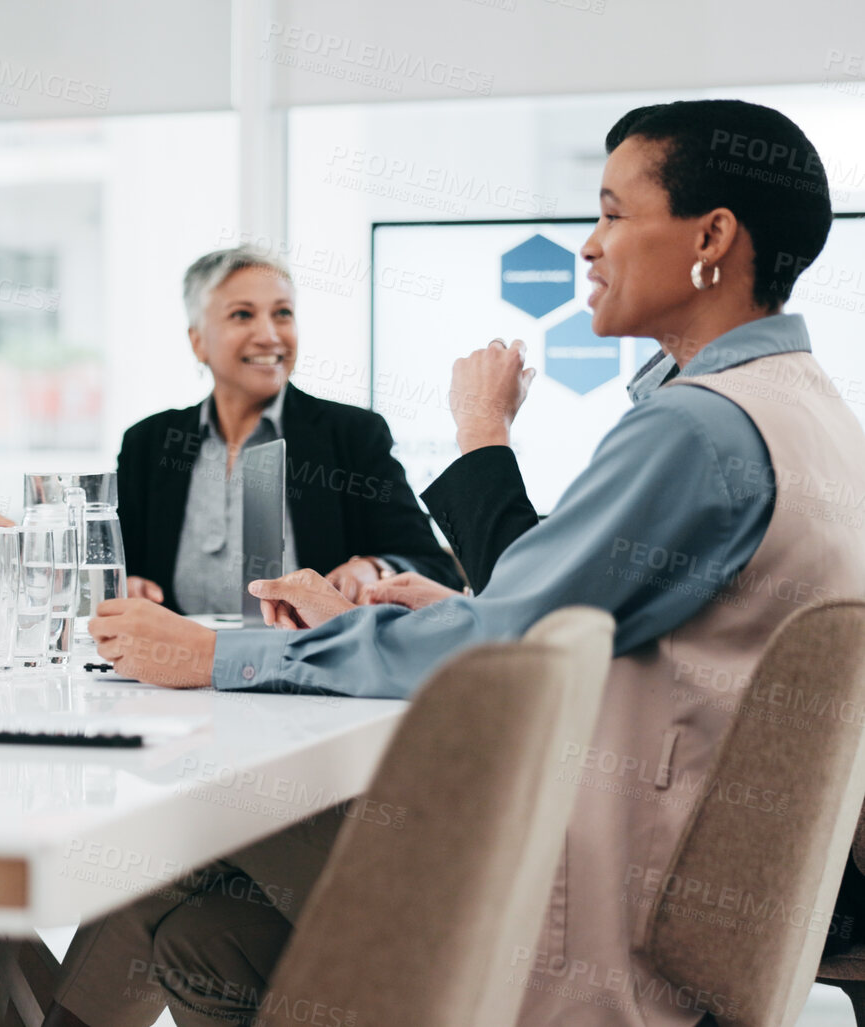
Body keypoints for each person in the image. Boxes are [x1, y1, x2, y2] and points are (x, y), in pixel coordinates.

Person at [86, 99, 865, 1027]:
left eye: (613, 213)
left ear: (712, 236)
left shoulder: (697, 428)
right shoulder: (804, 409)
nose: (588, 245)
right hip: (674, 890)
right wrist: (414, 622)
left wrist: (213, 657)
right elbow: (570, 620)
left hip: (588, 906)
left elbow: (506, 646)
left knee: (161, 856)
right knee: (206, 936)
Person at [113, 247, 461, 616]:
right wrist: (127, 585)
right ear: (198, 341)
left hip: (311, 666)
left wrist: (374, 567)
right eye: (242, 315)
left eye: (282, 313)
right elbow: (119, 571)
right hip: (173, 667)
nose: (269, 335)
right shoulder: (148, 443)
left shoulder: (353, 435)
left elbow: (433, 567)